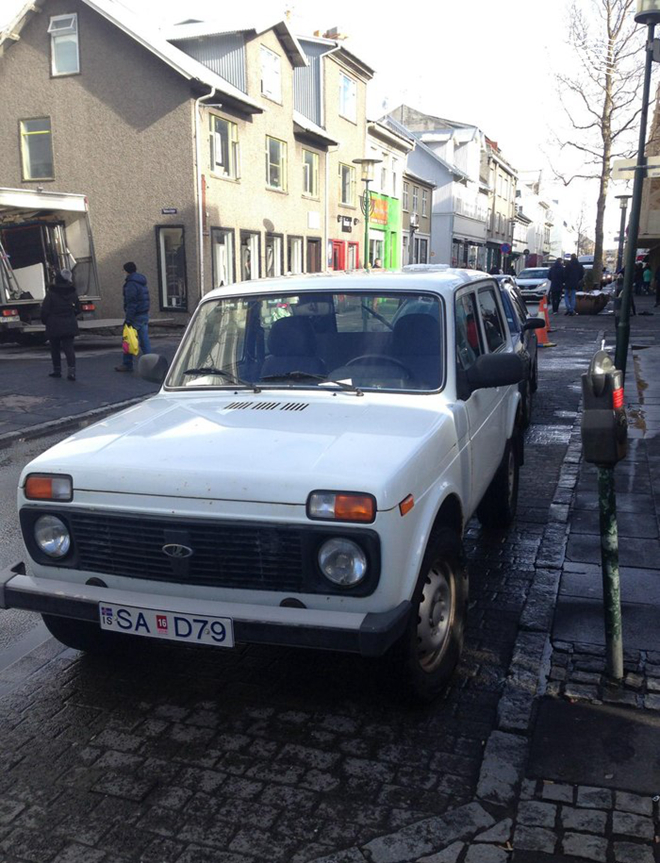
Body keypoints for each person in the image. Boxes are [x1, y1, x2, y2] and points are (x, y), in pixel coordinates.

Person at [41, 269, 81, 381]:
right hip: (69, 322)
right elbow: (78, 308)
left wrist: (45, 321)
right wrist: (71, 315)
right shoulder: (73, 293)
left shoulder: (51, 294)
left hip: (54, 324)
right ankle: (71, 372)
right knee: (69, 348)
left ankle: (57, 370)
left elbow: (45, 310)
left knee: (55, 348)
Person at [115, 261, 151, 372]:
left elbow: (131, 302)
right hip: (143, 313)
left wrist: (128, 319)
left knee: (127, 339)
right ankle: (151, 362)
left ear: (126, 271)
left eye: (123, 270)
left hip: (135, 316)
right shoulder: (141, 281)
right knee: (144, 340)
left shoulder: (131, 284)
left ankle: (127, 364)